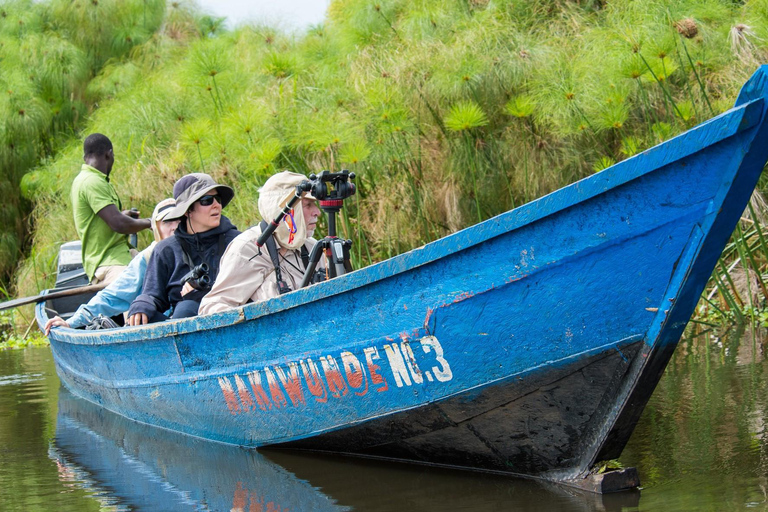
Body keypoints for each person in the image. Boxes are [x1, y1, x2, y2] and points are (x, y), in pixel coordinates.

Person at [44, 199, 180, 334]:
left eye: (178, 220)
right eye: (167, 221)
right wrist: (71, 322)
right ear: (157, 227)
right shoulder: (147, 258)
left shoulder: (195, 249)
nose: (174, 227)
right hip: (159, 326)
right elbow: (112, 296)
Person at [199, 171, 323, 315]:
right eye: (307, 205)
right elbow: (212, 308)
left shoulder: (312, 247)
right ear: (283, 209)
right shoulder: (247, 249)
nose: (317, 212)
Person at [127, 173, 240, 325]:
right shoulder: (165, 250)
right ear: (187, 211)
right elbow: (153, 295)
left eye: (218, 199)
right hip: (182, 325)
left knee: (187, 307)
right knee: (172, 311)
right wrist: (142, 305)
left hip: (234, 317)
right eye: (207, 200)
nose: (217, 205)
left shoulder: (237, 241)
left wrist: (204, 295)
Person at [71, 133, 150, 285]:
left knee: (157, 269)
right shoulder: (92, 181)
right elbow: (118, 224)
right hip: (110, 262)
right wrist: (150, 223)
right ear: (109, 154)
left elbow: (108, 218)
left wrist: (121, 215)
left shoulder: (89, 179)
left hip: (121, 253)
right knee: (133, 303)